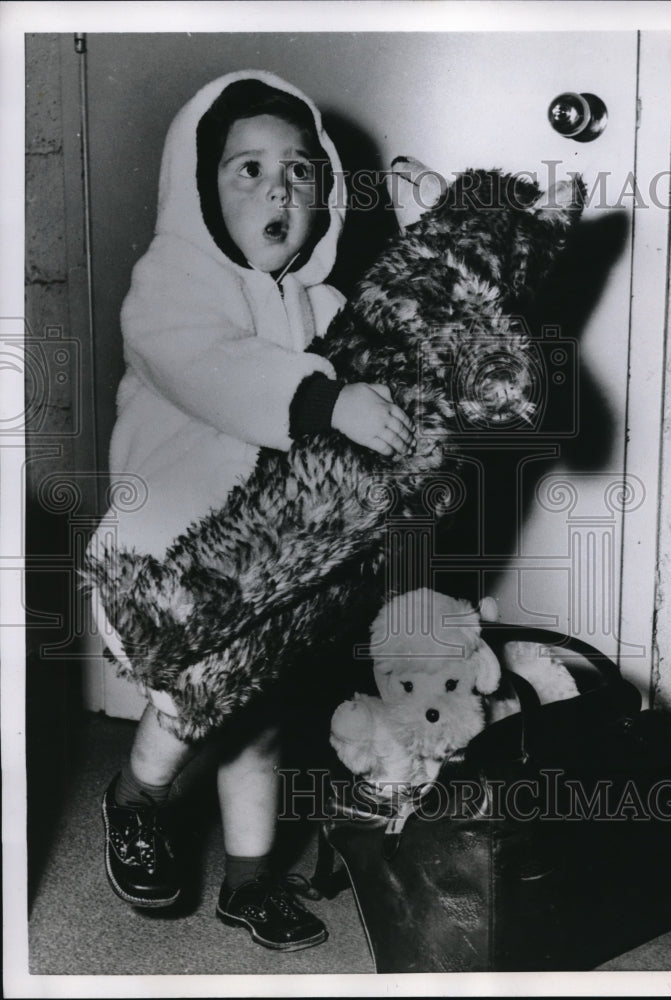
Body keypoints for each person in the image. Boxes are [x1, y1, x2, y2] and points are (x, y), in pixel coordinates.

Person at [92, 70, 414, 952]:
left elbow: (375, 379)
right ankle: (138, 797)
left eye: (301, 170)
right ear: (199, 194)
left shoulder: (328, 306)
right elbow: (212, 365)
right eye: (247, 169)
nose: (280, 186)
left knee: (262, 726)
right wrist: (325, 401)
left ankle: (248, 879)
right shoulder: (170, 286)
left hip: (274, 570)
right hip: (173, 559)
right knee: (192, 703)